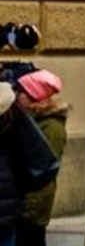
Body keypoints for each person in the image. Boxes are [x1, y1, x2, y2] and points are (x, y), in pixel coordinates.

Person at [0, 81, 58, 246]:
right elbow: (43, 164)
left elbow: (43, 164)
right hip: (9, 209)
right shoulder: (11, 110)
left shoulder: (49, 125)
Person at [15, 70, 66, 246]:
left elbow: (44, 168)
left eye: (20, 92)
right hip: (28, 201)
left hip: (34, 204)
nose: (16, 96)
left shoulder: (50, 126)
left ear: (32, 96)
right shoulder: (33, 121)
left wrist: (29, 206)